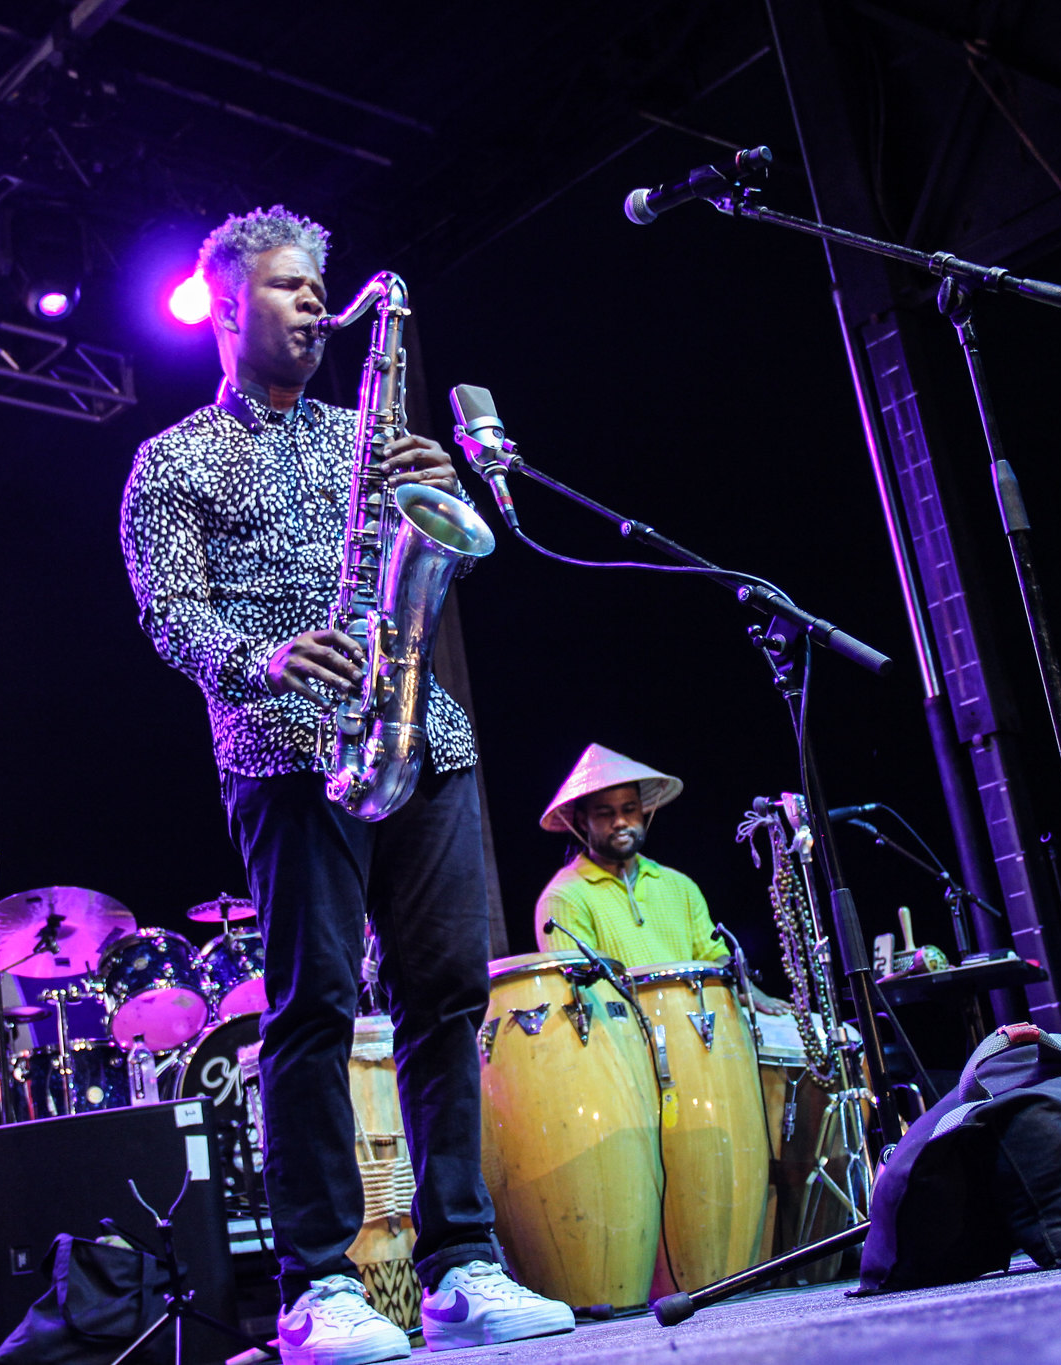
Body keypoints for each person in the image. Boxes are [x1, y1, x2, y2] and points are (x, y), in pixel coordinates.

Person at [120, 205, 572, 1363]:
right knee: (315, 1010)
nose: (314, 304)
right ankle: (317, 1281)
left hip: (422, 732)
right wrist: (259, 657)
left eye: (319, 287)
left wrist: (443, 486)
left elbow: (447, 545)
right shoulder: (171, 460)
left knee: (444, 1000)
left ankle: (462, 1264)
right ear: (225, 309)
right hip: (286, 748)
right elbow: (169, 615)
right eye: (285, 288)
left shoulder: (363, 435)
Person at [535, 744, 789, 1012]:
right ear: (583, 822)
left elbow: (712, 955)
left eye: (629, 809)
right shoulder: (564, 897)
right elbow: (583, 995)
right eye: (605, 812)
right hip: (624, 1044)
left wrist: (746, 988)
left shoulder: (679, 885)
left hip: (701, 1034)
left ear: (643, 812)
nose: (620, 821)